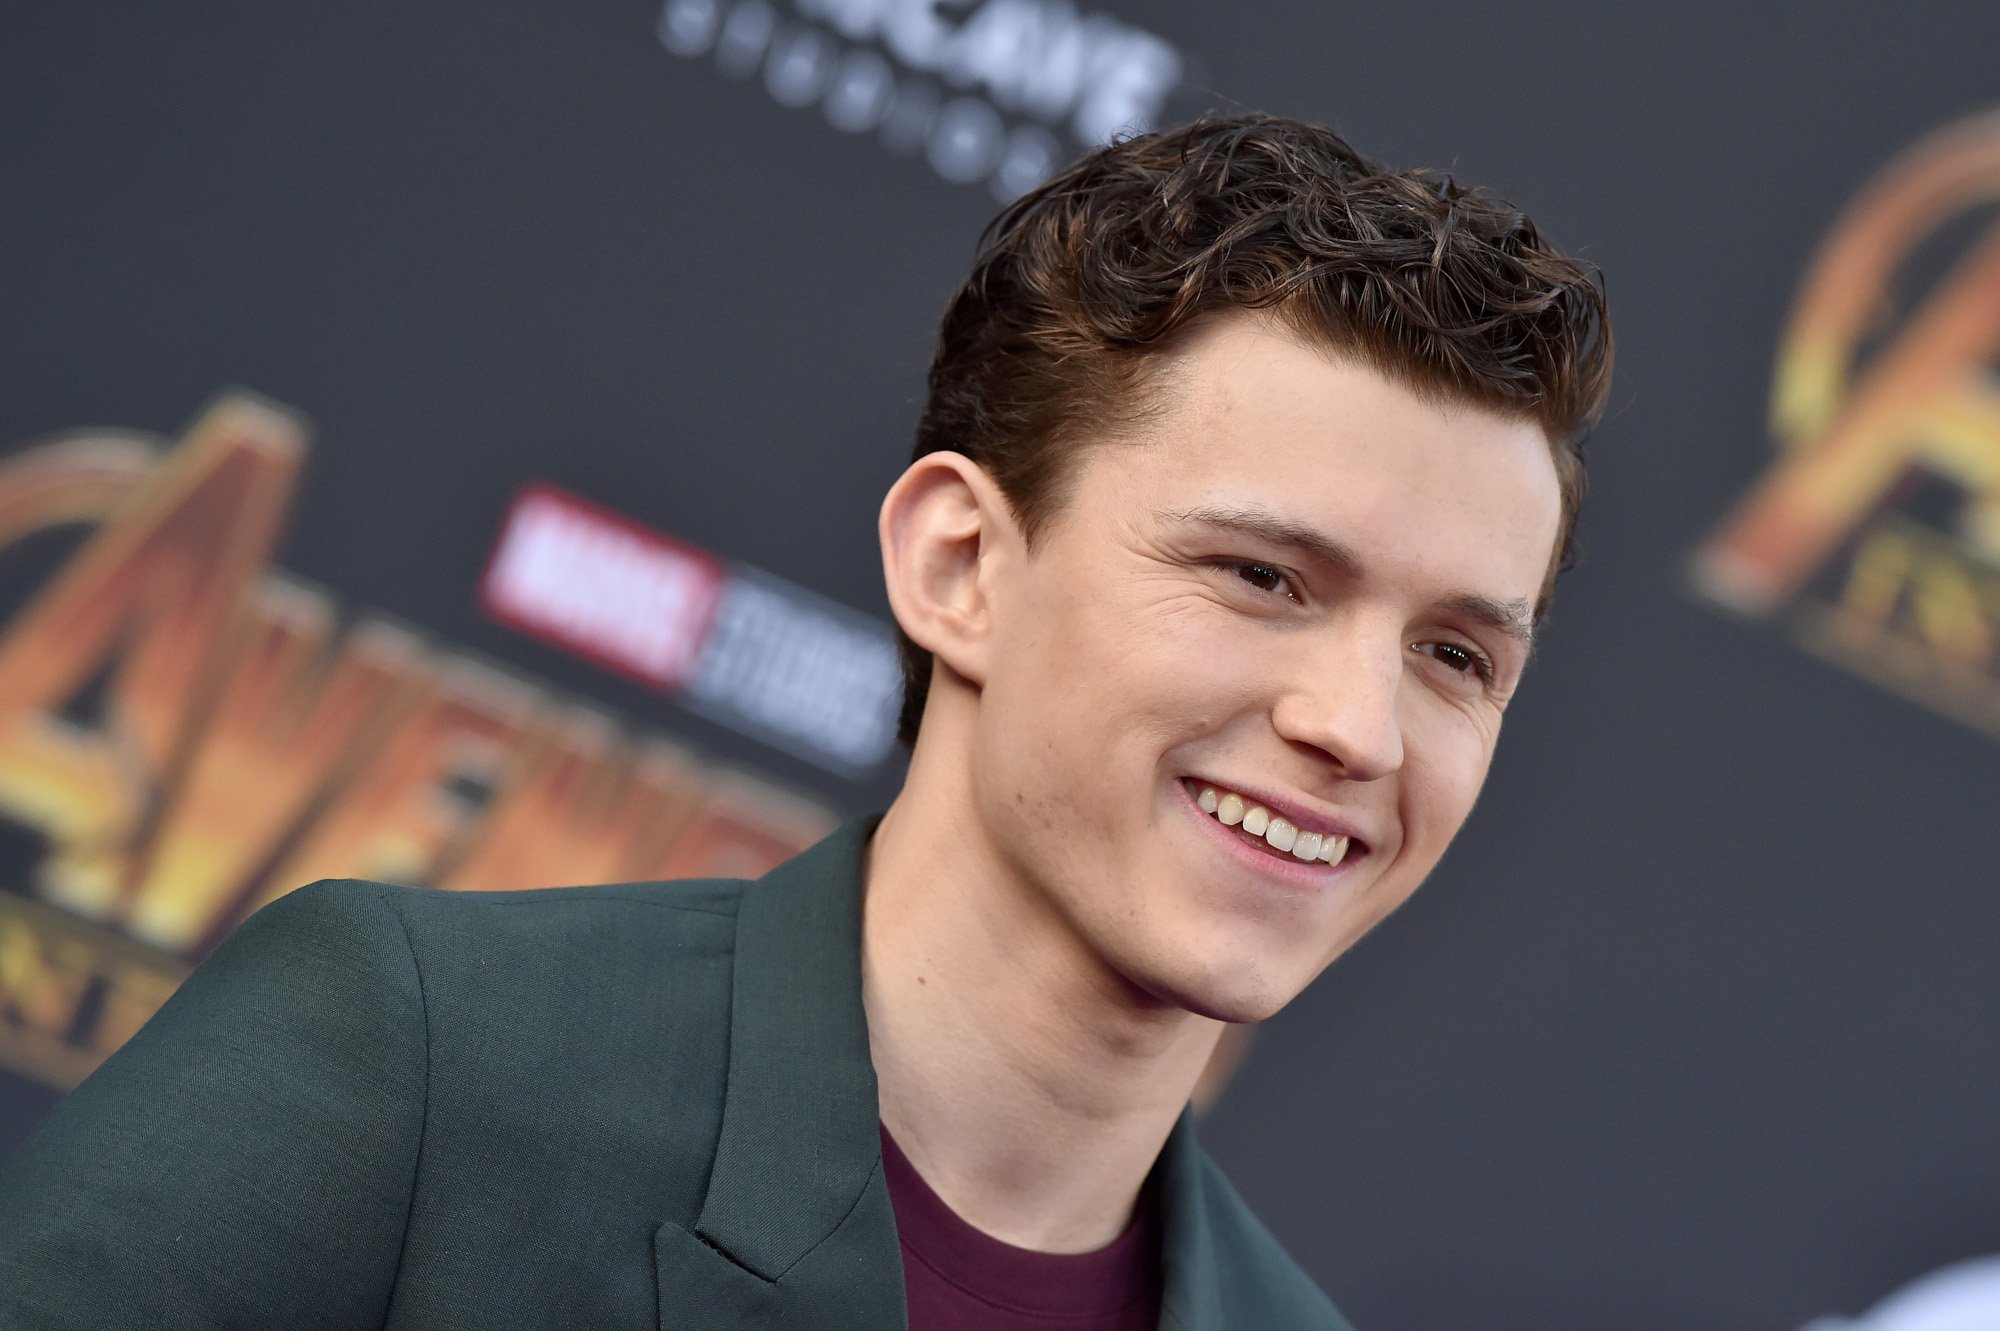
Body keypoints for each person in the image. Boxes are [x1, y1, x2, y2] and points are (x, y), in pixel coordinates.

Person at [0, 113, 1611, 1329]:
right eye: (1263, 576)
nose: (1358, 726)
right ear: (961, 563)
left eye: (1459, 657)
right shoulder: (424, 1071)